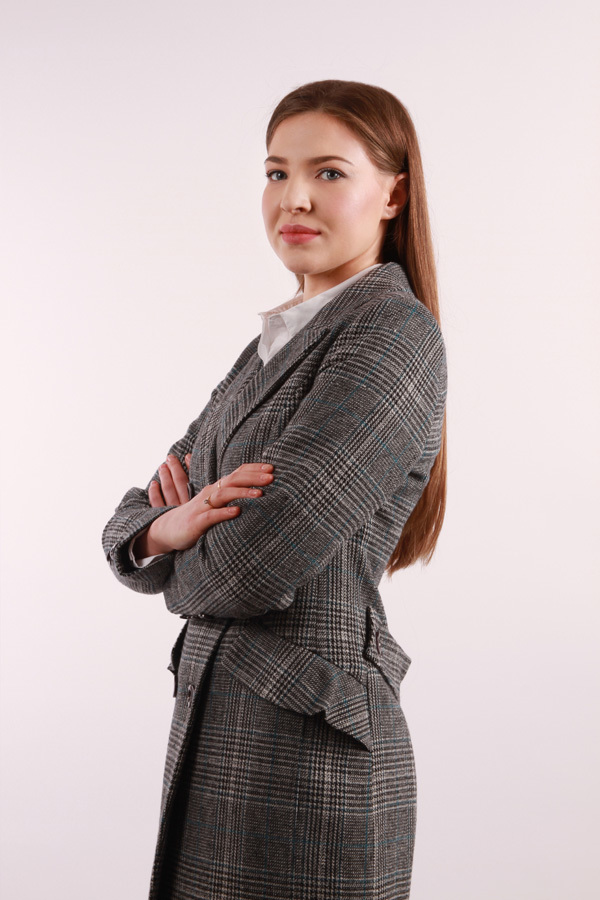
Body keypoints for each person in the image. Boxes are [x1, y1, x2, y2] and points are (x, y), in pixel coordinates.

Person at [102, 78, 448, 900]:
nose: (293, 197)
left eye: (329, 172)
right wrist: (160, 529)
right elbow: (139, 508)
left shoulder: (391, 332)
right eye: (275, 172)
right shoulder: (276, 340)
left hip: (308, 758)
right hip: (226, 731)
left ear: (393, 194)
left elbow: (255, 564)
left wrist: (180, 546)